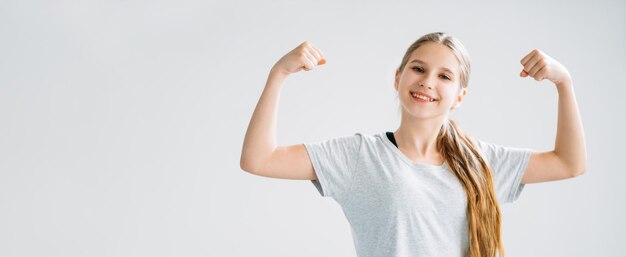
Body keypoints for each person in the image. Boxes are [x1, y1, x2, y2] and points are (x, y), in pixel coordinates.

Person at [239, 32, 587, 257]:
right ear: (398, 78)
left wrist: (564, 83)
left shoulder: (481, 161)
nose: (427, 82)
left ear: (459, 96)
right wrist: (279, 73)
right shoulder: (360, 157)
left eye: (444, 76)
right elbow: (259, 159)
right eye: (418, 69)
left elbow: (569, 163)